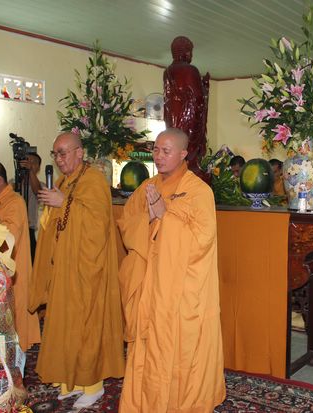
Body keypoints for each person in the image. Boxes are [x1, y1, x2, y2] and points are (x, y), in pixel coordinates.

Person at [117, 128, 226, 412]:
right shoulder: (147, 186)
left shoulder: (199, 192)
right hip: (150, 283)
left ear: (183, 154)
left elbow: (202, 239)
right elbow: (127, 222)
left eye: (166, 151)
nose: (159, 156)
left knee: (179, 348)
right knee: (148, 343)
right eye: (156, 150)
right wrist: (149, 218)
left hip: (180, 290)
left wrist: (165, 216)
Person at [29, 132, 125, 408]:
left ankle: (92, 385)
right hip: (64, 267)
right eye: (55, 154)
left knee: (86, 325)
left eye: (63, 153)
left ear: (80, 152)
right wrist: (53, 210)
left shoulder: (94, 180)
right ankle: (70, 381)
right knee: (64, 324)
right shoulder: (62, 181)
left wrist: (63, 203)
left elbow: (98, 224)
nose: (59, 159)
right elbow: (55, 223)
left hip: (87, 268)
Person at [0, 160, 40, 352]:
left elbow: (7, 237)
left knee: (14, 314)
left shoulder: (15, 202)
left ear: (0, 180)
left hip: (13, 272)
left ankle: (17, 357)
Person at [164, 36, 210, 176]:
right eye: (190, 51)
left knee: (176, 146)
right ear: (184, 52)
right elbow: (198, 97)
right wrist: (205, 88)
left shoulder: (167, 72)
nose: (191, 55)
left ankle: (179, 168)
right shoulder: (190, 70)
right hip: (188, 118)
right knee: (189, 147)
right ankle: (189, 168)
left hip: (172, 120)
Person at [17, 153, 42, 261]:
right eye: (27, 161)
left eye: (33, 162)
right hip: (13, 229)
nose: (29, 164)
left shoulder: (41, 185)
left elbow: (38, 192)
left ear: (38, 168)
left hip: (29, 230)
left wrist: (30, 171)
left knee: (31, 263)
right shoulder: (14, 183)